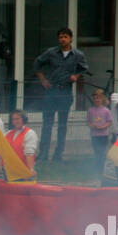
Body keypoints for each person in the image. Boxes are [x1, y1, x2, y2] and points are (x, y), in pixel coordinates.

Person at [33, 27, 88, 163]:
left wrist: (76, 75)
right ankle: (43, 154)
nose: (63, 39)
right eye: (60, 37)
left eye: (65, 37)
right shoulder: (51, 52)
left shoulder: (77, 55)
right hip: (51, 91)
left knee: (62, 125)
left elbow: (84, 68)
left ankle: (58, 154)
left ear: (71, 38)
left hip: (65, 92)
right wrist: (43, 80)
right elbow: (37, 64)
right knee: (47, 124)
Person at [87, 89, 113, 175]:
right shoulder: (90, 110)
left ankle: (102, 169)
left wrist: (103, 127)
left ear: (102, 99)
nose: (96, 100)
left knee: (102, 152)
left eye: (98, 98)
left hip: (103, 135)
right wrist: (92, 126)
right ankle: (97, 169)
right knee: (97, 152)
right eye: (95, 98)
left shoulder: (106, 110)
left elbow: (109, 122)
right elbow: (88, 122)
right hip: (94, 135)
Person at [5, 109, 38, 176]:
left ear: (24, 119)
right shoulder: (8, 133)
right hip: (8, 171)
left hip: (22, 172)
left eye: (17, 119)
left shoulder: (30, 133)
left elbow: (29, 153)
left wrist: (30, 170)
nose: (15, 121)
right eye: (13, 119)